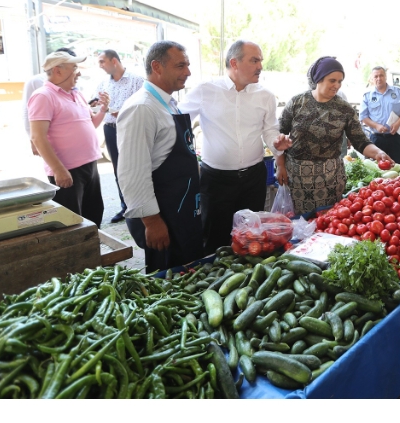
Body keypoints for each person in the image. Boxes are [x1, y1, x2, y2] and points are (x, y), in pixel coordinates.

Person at [179, 40, 292, 255]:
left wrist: (277, 144)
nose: (260, 66)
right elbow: (177, 125)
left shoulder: (265, 96)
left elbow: (269, 131)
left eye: (260, 60)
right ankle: (214, 280)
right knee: (215, 238)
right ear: (234, 63)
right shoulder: (206, 91)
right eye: (254, 60)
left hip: (253, 179)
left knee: (251, 237)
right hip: (216, 181)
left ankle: (246, 281)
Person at [116, 40, 202, 272]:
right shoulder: (142, 108)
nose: (188, 72)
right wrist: (152, 222)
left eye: (188, 65)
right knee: (167, 282)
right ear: (157, 66)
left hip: (181, 211)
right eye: (180, 66)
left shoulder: (168, 103)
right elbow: (132, 173)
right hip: (163, 218)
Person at [275, 56, 393, 215]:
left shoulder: (344, 109)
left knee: (327, 224)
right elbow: (279, 134)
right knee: (299, 225)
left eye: (340, 81)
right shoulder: (297, 102)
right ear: (318, 79)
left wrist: (378, 152)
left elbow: (360, 141)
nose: (337, 85)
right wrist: (280, 165)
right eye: (332, 80)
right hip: (297, 178)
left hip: (330, 181)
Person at [28, 51, 110, 228]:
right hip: (68, 169)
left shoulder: (76, 93)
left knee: (94, 214)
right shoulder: (43, 96)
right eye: (74, 68)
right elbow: (38, 137)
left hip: (90, 165)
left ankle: (93, 251)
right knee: (73, 221)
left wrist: (103, 109)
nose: (78, 73)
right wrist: (59, 170)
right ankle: (79, 255)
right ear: (58, 71)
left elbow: (90, 124)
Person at [94, 49, 144, 223]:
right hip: (110, 129)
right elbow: (95, 106)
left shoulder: (136, 80)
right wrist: (96, 104)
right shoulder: (103, 84)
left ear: (114, 61)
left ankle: (138, 205)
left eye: (102, 61)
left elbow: (140, 109)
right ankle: (125, 207)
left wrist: (111, 109)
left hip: (130, 129)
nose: (99, 66)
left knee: (134, 167)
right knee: (118, 170)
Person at [22, 47, 77, 156]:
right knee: (56, 167)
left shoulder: (73, 81)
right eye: (73, 67)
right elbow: (27, 113)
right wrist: (33, 139)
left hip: (71, 143)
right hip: (50, 141)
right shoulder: (35, 82)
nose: (76, 72)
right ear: (59, 68)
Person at [359, 66, 400, 165]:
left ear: (386, 76)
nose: (379, 78)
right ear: (372, 78)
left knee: (398, 167)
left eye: (381, 75)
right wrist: (376, 126)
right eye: (376, 76)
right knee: (377, 169)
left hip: (396, 138)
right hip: (377, 139)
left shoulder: (397, 92)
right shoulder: (367, 95)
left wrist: (397, 124)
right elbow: (363, 117)